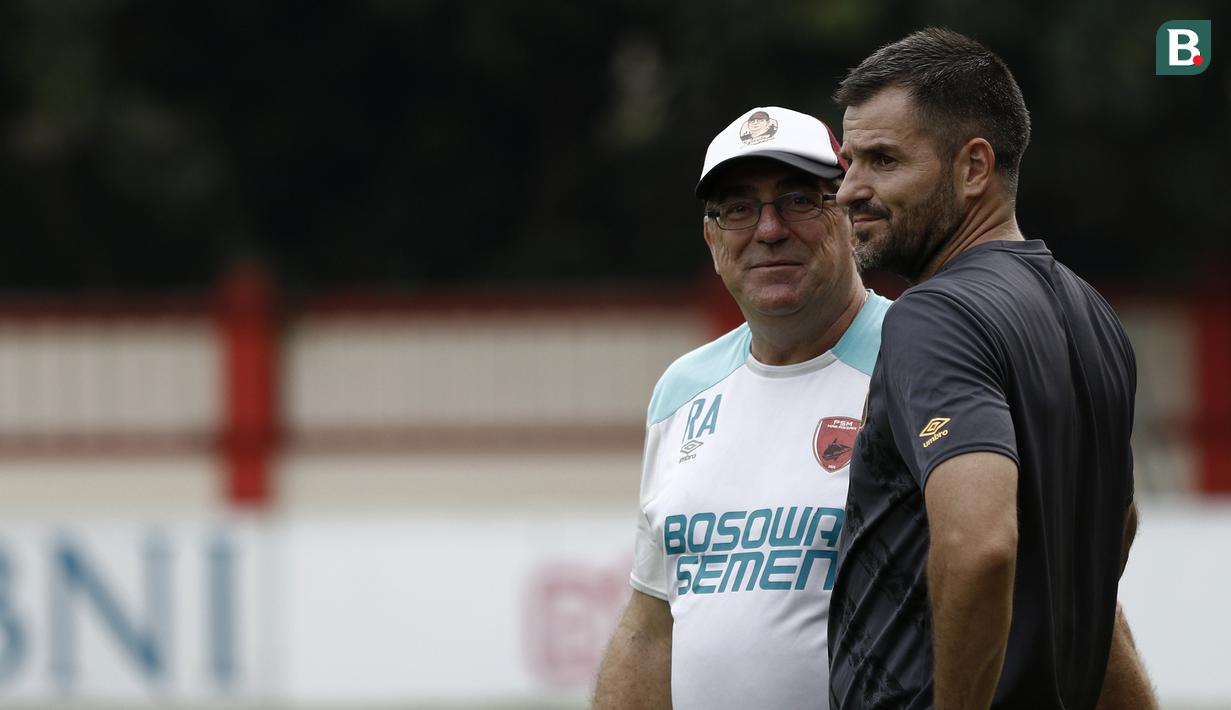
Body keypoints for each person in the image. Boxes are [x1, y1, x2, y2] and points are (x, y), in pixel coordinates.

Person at [825, 28, 1156, 709]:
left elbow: (979, 544)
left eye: (883, 161)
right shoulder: (1092, 313)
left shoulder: (935, 315)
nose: (849, 191)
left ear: (974, 167)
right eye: (849, 162)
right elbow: (1113, 530)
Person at [593, 106, 891, 709]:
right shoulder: (682, 391)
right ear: (711, 238)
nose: (769, 229)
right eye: (737, 208)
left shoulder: (922, 358)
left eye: (799, 200)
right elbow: (652, 625)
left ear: (848, 216)